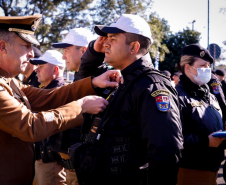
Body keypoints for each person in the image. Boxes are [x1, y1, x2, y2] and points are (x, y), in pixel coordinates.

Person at [0, 14, 122, 185]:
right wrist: (81, 107)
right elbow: (30, 126)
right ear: (3, 47)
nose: (30, 55)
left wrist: (92, 83)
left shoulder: (8, 80)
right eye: (26, 46)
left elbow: (47, 97)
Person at [74, 14, 183, 185]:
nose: (105, 43)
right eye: (106, 38)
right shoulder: (123, 79)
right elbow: (85, 80)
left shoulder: (151, 86)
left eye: (113, 38)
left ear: (134, 47)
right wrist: (94, 52)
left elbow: (165, 150)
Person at [175, 44, 225, 185]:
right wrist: (205, 142)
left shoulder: (209, 95)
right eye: (203, 65)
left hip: (212, 170)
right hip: (191, 171)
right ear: (188, 67)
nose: (207, 70)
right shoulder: (178, 97)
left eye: (208, 65)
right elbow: (173, 138)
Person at [52, 28, 95, 184]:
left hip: (85, 171)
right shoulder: (80, 79)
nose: (63, 56)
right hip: (72, 167)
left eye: (66, 50)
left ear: (83, 51)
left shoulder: (98, 80)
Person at [30, 50, 67, 185]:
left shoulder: (58, 93)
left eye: (41, 67)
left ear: (55, 70)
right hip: (45, 159)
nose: (36, 71)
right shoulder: (49, 91)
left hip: (51, 162)